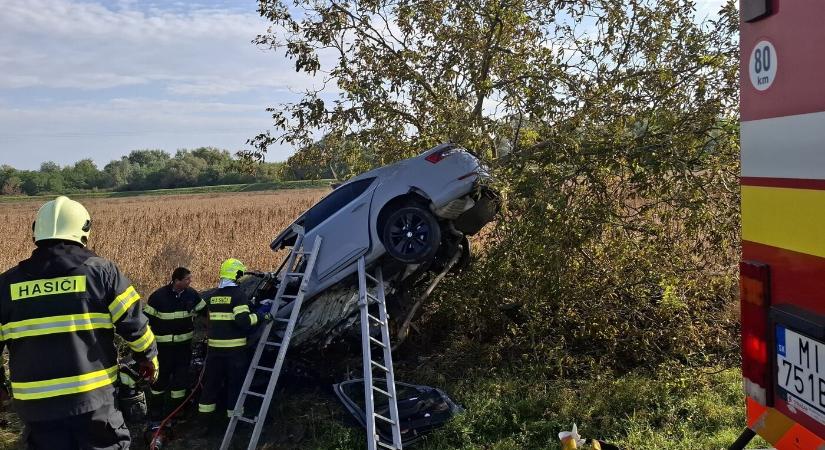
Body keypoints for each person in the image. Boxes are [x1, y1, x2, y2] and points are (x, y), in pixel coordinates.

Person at [0, 196, 158, 449]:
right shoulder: (102, 273)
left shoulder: (6, 285)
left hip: (36, 409)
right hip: (93, 403)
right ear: (83, 231)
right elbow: (135, 326)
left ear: (36, 232)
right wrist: (148, 358)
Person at [196, 258, 270, 429]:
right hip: (234, 351)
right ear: (237, 275)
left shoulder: (214, 296)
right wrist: (261, 316)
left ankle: (204, 424)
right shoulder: (238, 295)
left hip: (214, 350)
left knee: (211, 385)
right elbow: (243, 321)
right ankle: (233, 423)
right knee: (235, 386)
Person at [144, 267, 206, 422]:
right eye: (187, 279)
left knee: (180, 382)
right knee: (159, 381)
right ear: (176, 280)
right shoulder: (158, 297)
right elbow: (144, 322)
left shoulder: (192, 295)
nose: (190, 281)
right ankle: (156, 412)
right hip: (162, 351)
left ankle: (176, 412)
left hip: (183, 349)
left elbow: (206, 311)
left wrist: (210, 330)